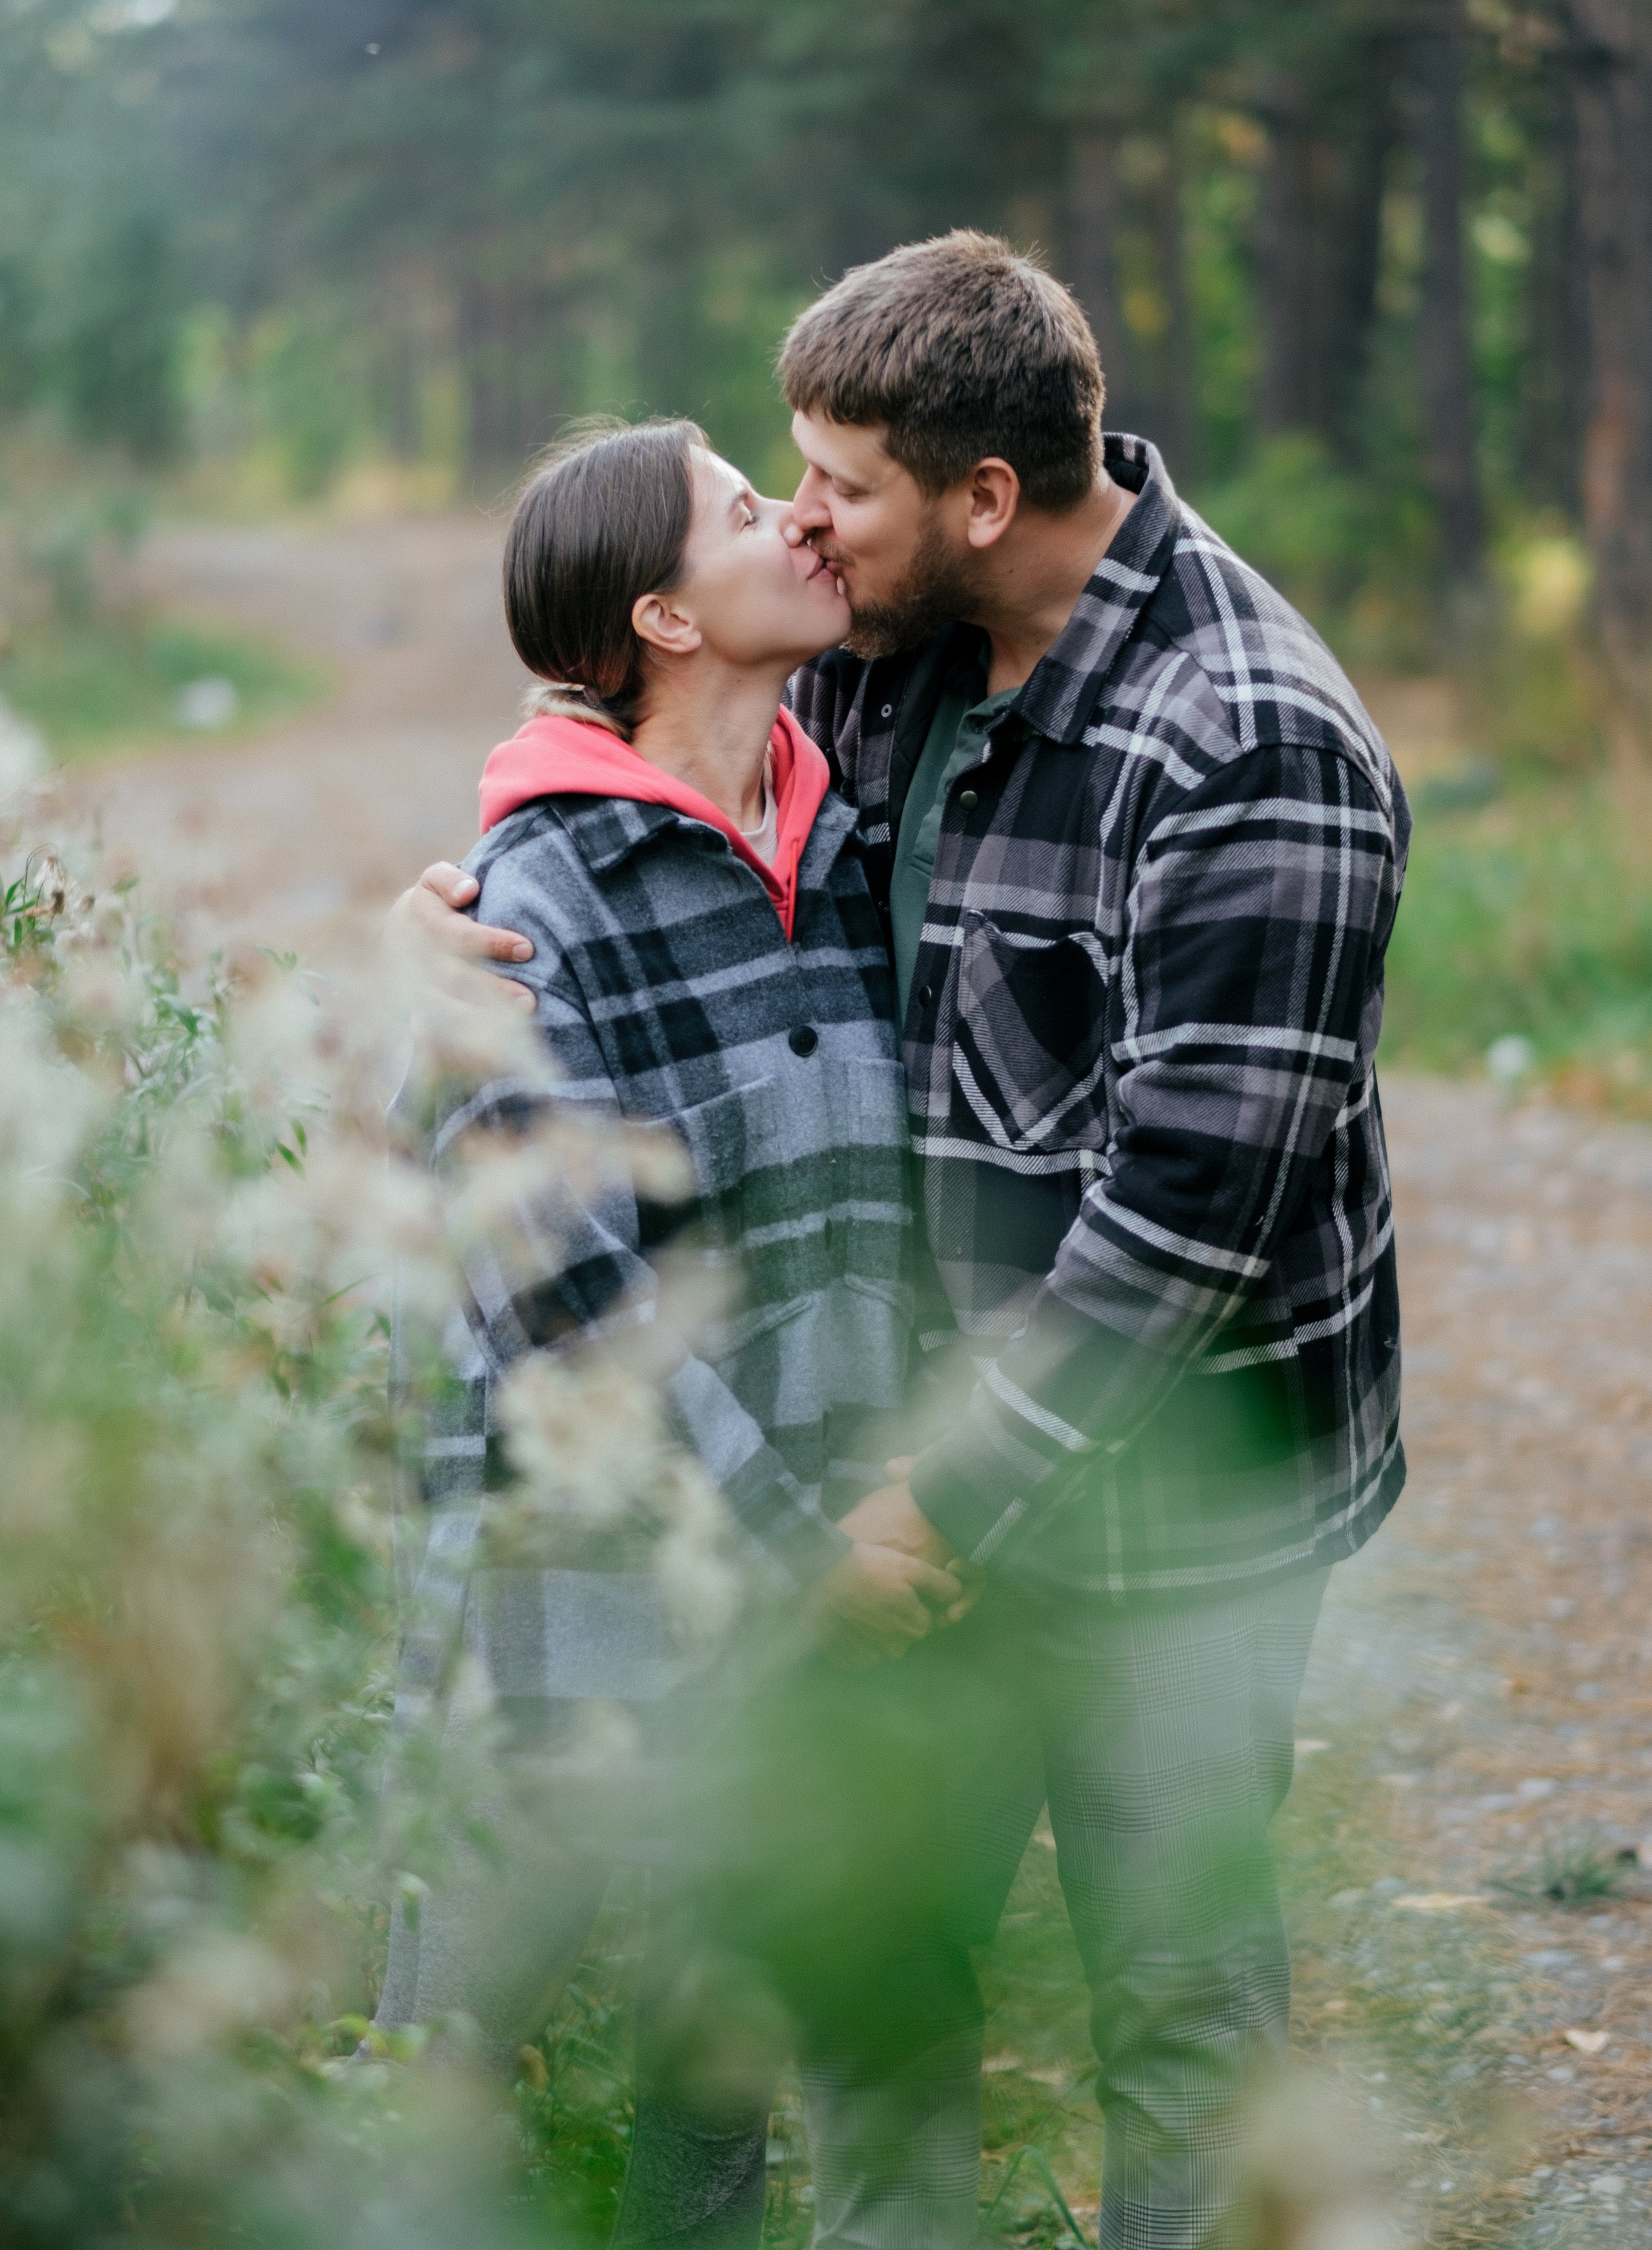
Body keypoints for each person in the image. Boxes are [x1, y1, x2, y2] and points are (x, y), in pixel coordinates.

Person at [396, 233, 1409, 2250]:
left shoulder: (1257, 744)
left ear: (986, 497)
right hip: (898, 1493)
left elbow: (1186, 1223)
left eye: (840, 484)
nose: (815, 525)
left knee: (1182, 1998)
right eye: (786, 484)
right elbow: (641, 768)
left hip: (1148, 1517)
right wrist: (424, 945)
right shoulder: (895, 654)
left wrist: (914, 1513)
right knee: (877, 1991)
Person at [378, 416, 965, 2248]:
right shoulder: (535, 899)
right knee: (471, 2020)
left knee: (715, 2040)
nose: (790, 515)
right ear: (664, 614)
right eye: (739, 506)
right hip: (599, 1575)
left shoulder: (852, 817)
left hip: (826, 1553)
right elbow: (569, 1289)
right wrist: (801, 1542)